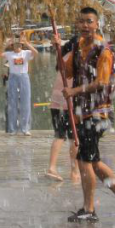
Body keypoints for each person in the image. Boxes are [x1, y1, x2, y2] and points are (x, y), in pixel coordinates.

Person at [61, 8, 115, 223]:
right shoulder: (77, 47)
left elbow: (101, 83)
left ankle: (89, 209)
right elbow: (66, 72)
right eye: (81, 21)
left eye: (89, 22)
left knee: (84, 160)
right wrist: (62, 48)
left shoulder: (103, 50)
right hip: (83, 113)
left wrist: (74, 92)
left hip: (99, 113)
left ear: (97, 24)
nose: (85, 26)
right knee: (93, 162)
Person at [46, 52, 79, 183]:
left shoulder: (63, 56)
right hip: (69, 102)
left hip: (56, 102)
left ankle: (52, 167)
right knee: (74, 138)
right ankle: (74, 171)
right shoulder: (77, 57)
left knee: (59, 135)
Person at [2, 36, 37, 136]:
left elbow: (35, 53)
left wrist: (27, 43)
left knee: (25, 102)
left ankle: (25, 128)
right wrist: (7, 43)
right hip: (13, 77)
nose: (17, 46)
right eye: (15, 44)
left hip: (24, 77)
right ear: (13, 46)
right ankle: (12, 129)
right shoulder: (9, 54)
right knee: (12, 103)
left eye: (19, 44)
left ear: (21, 45)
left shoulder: (26, 53)